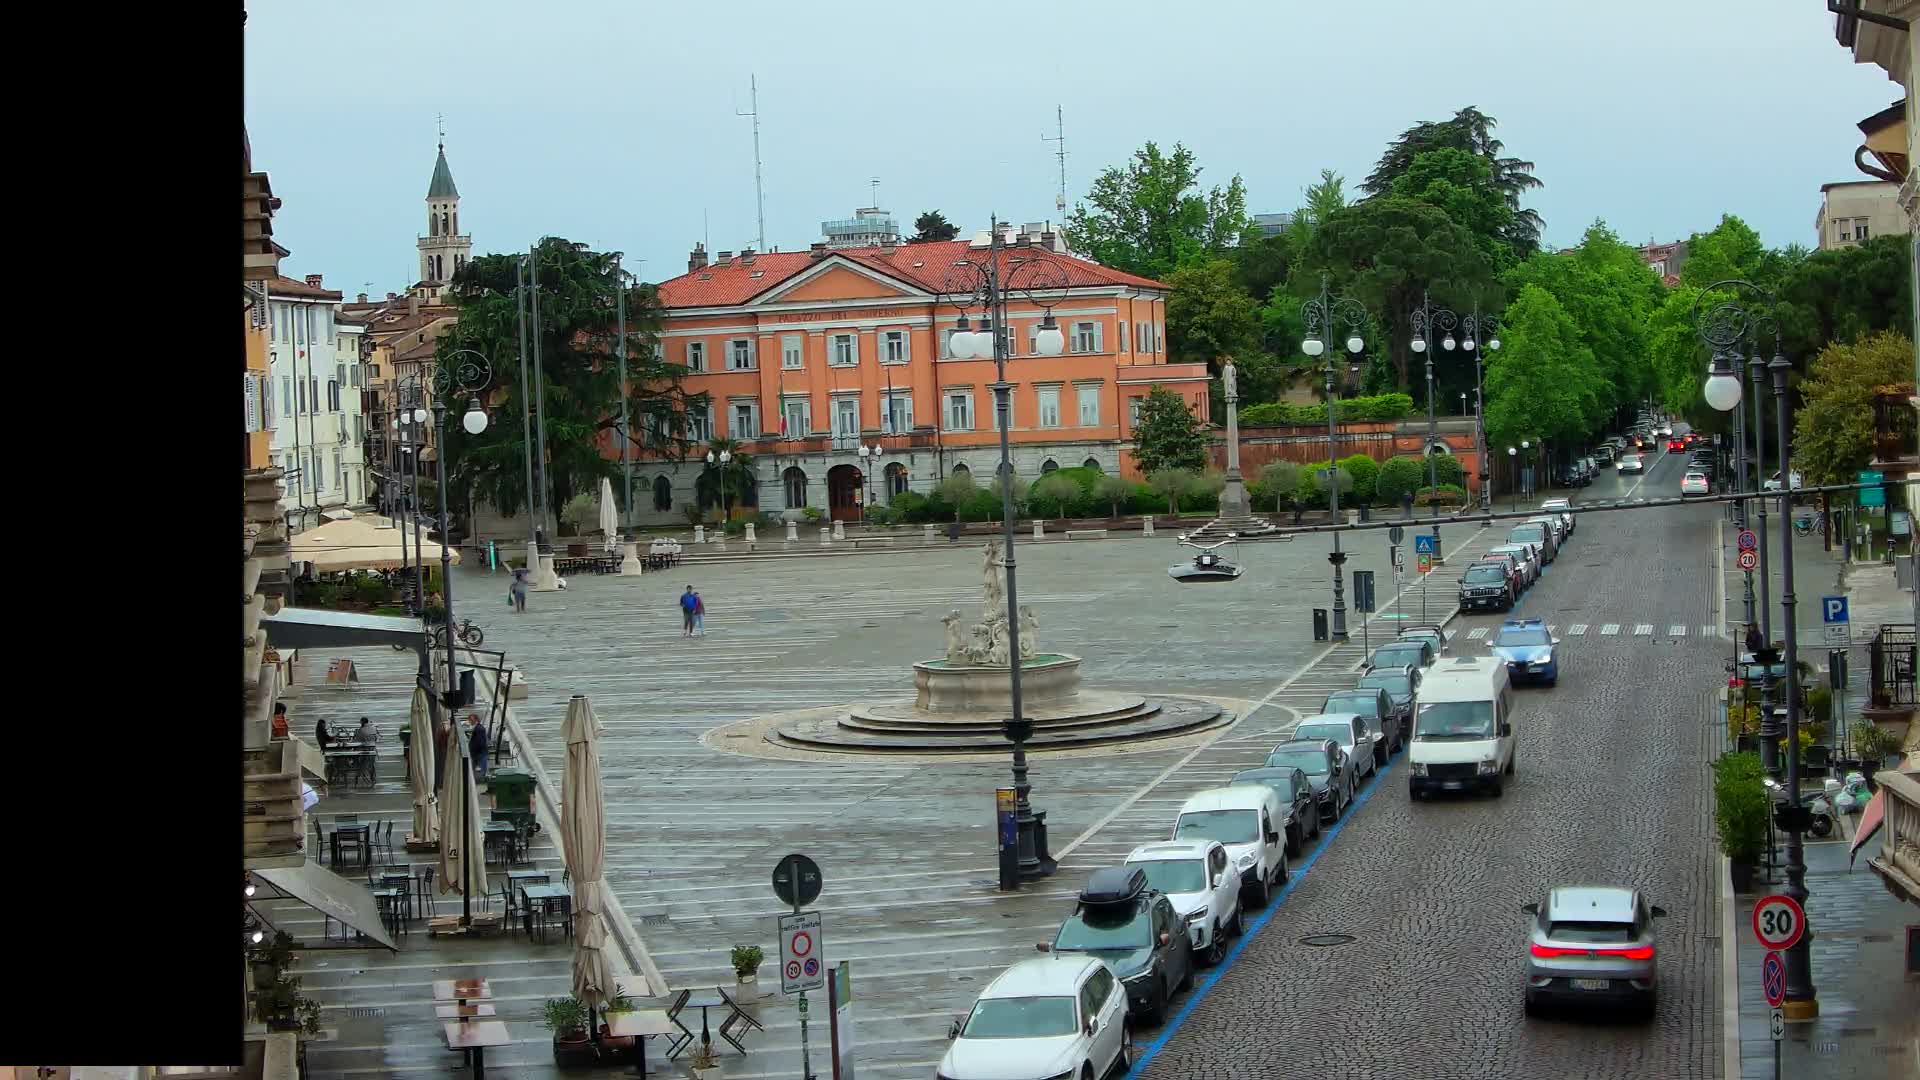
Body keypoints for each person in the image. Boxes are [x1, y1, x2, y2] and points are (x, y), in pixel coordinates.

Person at [467, 713, 490, 780]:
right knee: (477, 769)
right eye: (469, 720)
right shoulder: (477, 728)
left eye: (471, 720)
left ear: (476, 720)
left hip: (479, 753)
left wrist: (474, 750)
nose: (470, 721)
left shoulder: (479, 728)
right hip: (478, 752)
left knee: (480, 769)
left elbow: (480, 742)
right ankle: (477, 779)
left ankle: (480, 780)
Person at [356, 717, 378, 782]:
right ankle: (372, 777)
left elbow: (358, 739)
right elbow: (376, 738)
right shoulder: (374, 728)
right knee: (371, 763)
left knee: (360, 759)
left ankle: (358, 773)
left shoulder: (361, 730)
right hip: (373, 748)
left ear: (362, 722)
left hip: (365, 748)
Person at [433, 715, 452, 786]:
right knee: (444, 766)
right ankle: (442, 782)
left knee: (442, 767)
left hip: (442, 749)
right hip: (444, 750)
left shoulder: (441, 729)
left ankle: (441, 782)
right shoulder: (444, 729)